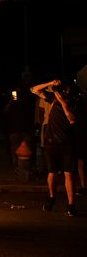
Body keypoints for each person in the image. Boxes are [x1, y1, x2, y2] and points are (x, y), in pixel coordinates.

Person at [31, 78, 78, 216]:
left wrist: (62, 103)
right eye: (64, 89)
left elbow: (71, 119)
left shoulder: (74, 103)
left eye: (67, 90)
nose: (65, 92)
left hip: (67, 143)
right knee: (52, 172)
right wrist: (50, 84)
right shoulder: (52, 98)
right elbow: (34, 89)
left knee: (68, 173)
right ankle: (51, 198)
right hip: (52, 142)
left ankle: (71, 205)